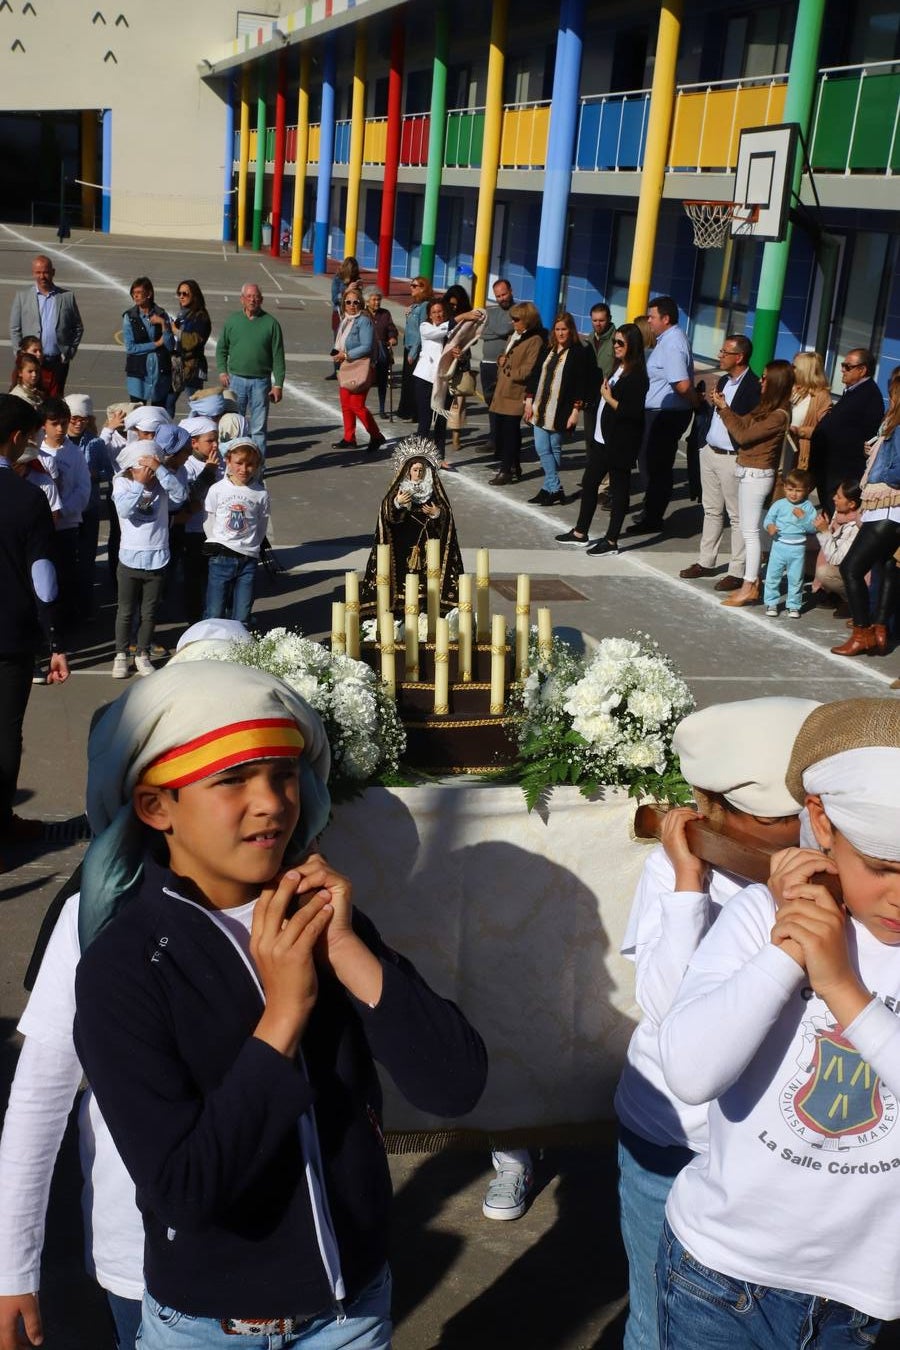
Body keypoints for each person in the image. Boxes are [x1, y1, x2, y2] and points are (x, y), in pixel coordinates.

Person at [72, 661, 487, 1350]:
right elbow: (184, 1192)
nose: (270, 801)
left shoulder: (320, 919)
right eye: (232, 779)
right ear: (155, 807)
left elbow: (454, 1085)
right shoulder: (126, 967)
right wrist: (284, 1015)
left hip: (351, 1314)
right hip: (208, 1329)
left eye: (283, 774)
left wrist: (348, 950)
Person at [657, 698, 900, 1349]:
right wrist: (786, 950)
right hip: (723, 1276)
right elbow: (691, 1073)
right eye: (882, 868)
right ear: (821, 820)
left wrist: (841, 988)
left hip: (866, 1299)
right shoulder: (759, 918)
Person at [615, 696, 818, 1350]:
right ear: (707, 805)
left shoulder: (831, 873)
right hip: (674, 1139)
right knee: (657, 1323)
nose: (796, 832)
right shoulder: (672, 873)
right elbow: (668, 1009)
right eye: (776, 817)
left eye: (808, 812)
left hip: (771, 1151)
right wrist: (688, 885)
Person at [0, 396, 69, 867]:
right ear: (15, 438)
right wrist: (55, 641)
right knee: (5, 730)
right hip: (10, 635)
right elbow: (43, 577)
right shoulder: (27, 498)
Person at [555, 322, 648, 554]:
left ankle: (612, 540)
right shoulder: (618, 368)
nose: (615, 346)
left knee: (619, 490)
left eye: (620, 343)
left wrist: (608, 398)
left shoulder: (637, 376)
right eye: (614, 341)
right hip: (601, 440)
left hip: (620, 443)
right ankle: (580, 532)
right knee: (589, 483)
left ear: (632, 346)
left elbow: (632, 412)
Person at [679, 335, 761, 591]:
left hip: (732, 457)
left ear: (740, 357)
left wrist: (725, 408)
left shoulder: (753, 388)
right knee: (711, 510)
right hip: (710, 452)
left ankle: (737, 571)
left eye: (725, 352)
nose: (719, 356)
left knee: (737, 516)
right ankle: (706, 561)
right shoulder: (724, 380)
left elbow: (748, 425)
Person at [712, 359, 794, 609]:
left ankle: (750, 585)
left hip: (758, 475)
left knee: (750, 532)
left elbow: (743, 435)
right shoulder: (765, 408)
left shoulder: (779, 415)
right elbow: (744, 423)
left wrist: (724, 411)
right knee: (749, 529)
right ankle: (752, 582)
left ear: (776, 382)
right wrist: (725, 407)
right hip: (748, 471)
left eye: (766, 377)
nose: (761, 380)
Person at [831, 369, 900, 657]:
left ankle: (863, 632)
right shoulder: (892, 422)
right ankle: (879, 629)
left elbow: (898, 469)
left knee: (851, 567)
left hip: (889, 505)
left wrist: (880, 475)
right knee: (886, 566)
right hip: (885, 506)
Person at [111, 439, 186, 678]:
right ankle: (121, 654)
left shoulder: (163, 484)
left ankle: (142, 653)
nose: (148, 475)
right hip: (129, 558)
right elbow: (124, 510)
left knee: (149, 612)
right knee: (125, 611)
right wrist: (139, 485)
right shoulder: (122, 483)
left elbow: (180, 495)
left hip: (157, 557)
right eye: (142, 469)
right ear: (131, 469)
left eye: (151, 470)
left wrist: (160, 470)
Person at [626, 295, 700, 536]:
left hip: (667, 414)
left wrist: (697, 404)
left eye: (652, 316)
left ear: (666, 319)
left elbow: (681, 384)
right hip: (658, 412)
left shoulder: (673, 343)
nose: (649, 320)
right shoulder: (666, 340)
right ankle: (651, 510)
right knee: (649, 462)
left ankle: (653, 517)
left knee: (656, 465)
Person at [361, 441, 463, 615]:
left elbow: (446, 515)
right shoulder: (401, 489)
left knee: (428, 576)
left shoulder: (432, 489)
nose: (418, 473)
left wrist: (437, 513)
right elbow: (387, 515)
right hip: (403, 544)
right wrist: (397, 503)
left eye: (421, 470)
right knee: (403, 576)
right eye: (415, 470)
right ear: (408, 470)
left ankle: (430, 609)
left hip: (428, 544)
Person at [524, 312, 594, 505]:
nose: (561, 333)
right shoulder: (548, 349)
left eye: (564, 329)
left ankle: (548, 489)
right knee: (541, 447)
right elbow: (535, 374)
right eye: (557, 329)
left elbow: (580, 384)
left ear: (571, 330)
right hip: (540, 406)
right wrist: (528, 400)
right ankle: (555, 488)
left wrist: (575, 411)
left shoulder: (578, 352)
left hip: (561, 409)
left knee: (553, 448)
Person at [37, 397, 92, 631]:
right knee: (43, 578)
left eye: (63, 423)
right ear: (43, 425)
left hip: (66, 527)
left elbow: (83, 490)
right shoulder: (35, 452)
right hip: (40, 527)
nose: (60, 429)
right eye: (54, 424)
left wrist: (61, 510)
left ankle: (67, 623)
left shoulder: (75, 454)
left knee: (67, 575)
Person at [203, 438, 270, 625]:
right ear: (228, 461)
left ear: (257, 465)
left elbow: (262, 524)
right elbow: (209, 520)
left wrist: (252, 546)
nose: (244, 469)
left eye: (250, 465)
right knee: (215, 610)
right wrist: (217, 541)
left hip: (248, 558)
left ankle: (238, 640)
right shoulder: (217, 490)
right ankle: (211, 639)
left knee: (242, 613)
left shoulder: (260, 493)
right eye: (239, 463)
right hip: (221, 557)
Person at [216, 283, 285, 460]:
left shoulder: (271, 324)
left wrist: (278, 384)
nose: (252, 300)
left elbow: (278, 356)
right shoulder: (233, 321)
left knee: (258, 428)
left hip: (261, 382)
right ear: (242, 299)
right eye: (249, 296)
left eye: (256, 296)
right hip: (236, 380)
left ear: (261, 300)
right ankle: (232, 464)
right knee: (233, 425)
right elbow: (222, 348)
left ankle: (258, 467)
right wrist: (222, 371)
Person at [809, 348, 884, 512]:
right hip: (829, 469)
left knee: (835, 516)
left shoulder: (869, 395)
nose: (842, 369)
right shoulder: (853, 391)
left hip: (841, 473)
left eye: (848, 366)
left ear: (862, 370)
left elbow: (860, 435)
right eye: (842, 365)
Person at [488, 301, 545, 486]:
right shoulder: (515, 336)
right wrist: (501, 360)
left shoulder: (535, 340)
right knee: (503, 431)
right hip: (502, 390)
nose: (513, 322)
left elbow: (528, 370)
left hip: (515, 393)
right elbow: (506, 357)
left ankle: (505, 470)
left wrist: (507, 367)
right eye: (512, 319)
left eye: (517, 319)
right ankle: (514, 465)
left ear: (527, 320)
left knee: (509, 432)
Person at [9, 255, 83, 397]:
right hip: (30, 362)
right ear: (33, 273)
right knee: (27, 398)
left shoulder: (67, 297)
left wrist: (69, 351)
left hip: (57, 361)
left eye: (46, 272)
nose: (42, 276)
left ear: (53, 272)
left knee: (55, 400)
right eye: (38, 272)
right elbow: (15, 328)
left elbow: (78, 327)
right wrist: (20, 354)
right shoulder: (22, 296)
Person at [65, 393, 109, 620]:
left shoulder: (95, 443)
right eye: (73, 418)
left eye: (83, 419)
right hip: (64, 512)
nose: (78, 423)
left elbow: (109, 471)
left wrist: (96, 474)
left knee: (86, 560)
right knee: (65, 561)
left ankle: (85, 607)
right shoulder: (57, 442)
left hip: (88, 510)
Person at [332, 290, 385, 452]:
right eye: (348, 302)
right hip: (347, 366)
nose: (352, 305)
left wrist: (346, 354)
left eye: (355, 302)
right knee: (345, 403)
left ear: (361, 304)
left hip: (361, 367)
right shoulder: (346, 320)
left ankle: (376, 436)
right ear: (344, 304)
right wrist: (337, 354)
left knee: (356, 405)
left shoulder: (363, 321)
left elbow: (366, 346)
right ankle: (349, 438)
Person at [762, 469, 818, 618]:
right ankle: (771, 603)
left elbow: (813, 528)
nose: (793, 494)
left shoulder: (808, 507)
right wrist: (770, 527)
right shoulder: (779, 504)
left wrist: (803, 518)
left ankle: (793, 605)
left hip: (798, 549)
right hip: (779, 546)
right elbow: (768, 519)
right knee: (773, 576)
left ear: (807, 490)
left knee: (796, 579)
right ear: (785, 487)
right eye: (790, 489)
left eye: (798, 490)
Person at [123, 276, 175, 409]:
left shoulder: (162, 314)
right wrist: (156, 344)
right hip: (138, 375)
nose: (135, 296)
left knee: (158, 414)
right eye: (133, 293)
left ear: (149, 294)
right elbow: (130, 348)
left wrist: (163, 324)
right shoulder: (129, 317)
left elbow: (170, 346)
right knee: (137, 414)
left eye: (139, 292)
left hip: (160, 374)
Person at [812, 479, 861, 606]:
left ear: (851, 504)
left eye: (839, 497)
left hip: (854, 573)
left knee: (824, 573)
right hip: (842, 566)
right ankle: (832, 594)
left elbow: (836, 558)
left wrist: (824, 531)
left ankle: (852, 602)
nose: (834, 498)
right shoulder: (840, 513)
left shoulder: (857, 526)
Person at [397, 276, 433, 421]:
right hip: (409, 345)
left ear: (423, 288)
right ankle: (406, 410)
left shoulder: (425, 306)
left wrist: (413, 352)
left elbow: (421, 331)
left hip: (416, 349)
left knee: (414, 382)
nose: (411, 288)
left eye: (414, 286)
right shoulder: (416, 305)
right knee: (407, 381)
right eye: (411, 285)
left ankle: (415, 412)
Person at [790, 349, 832, 472]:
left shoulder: (821, 396)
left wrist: (799, 431)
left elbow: (824, 430)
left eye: (794, 366)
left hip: (800, 456)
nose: (790, 369)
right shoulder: (789, 389)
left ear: (805, 370)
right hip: (781, 451)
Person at [171, 279, 212, 404]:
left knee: (196, 404)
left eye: (185, 293)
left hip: (192, 367)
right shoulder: (182, 315)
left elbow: (195, 341)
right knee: (168, 401)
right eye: (179, 293)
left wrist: (176, 332)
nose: (181, 296)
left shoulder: (201, 317)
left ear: (194, 295)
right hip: (178, 366)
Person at [364, 288, 398, 418]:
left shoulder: (385, 314)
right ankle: (360, 407)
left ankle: (382, 409)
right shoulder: (362, 314)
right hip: (367, 352)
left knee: (382, 381)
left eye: (378, 299)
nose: (377, 302)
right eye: (374, 299)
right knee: (365, 381)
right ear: (367, 301)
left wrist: (392, 337)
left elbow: (391, 328)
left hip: (382, 351)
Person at [328, 256, 361, 379]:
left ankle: (349, 369)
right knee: (337, 343)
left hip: (353, 315)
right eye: (352, 270)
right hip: (339, 314)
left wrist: (359, 289)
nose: (353, 273)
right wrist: (347, 290)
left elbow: (360, 300)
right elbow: (334, 298)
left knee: (352, 343)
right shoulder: (338, 279)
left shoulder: (357, 280)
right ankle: (336, 370)